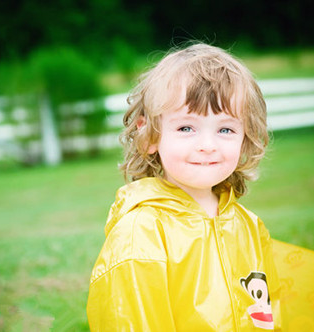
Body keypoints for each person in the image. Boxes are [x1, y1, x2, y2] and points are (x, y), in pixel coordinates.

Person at [86, 42, 282, 331]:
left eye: (225, 129)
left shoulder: (250, 227)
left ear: (245, 138)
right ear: (149, 135)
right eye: (186, 128)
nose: (207, 145)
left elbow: (269, 315)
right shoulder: (140, 233)